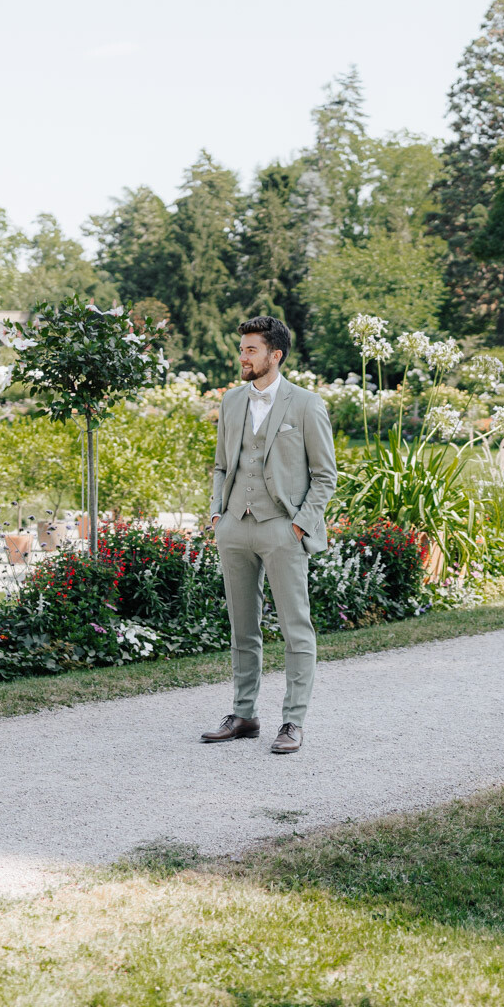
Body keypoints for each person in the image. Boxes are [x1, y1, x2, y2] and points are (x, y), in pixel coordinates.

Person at [200, 315, 336, 754]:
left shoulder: (306, 405)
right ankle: (244, 715)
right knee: (243, 627)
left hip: (282, 527)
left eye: (251, 350)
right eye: (241, 349)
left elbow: (325, 476)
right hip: (235, 526)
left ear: (274, 355)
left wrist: (299, 524)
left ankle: (293, 722)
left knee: (297, 628)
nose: (243, 357)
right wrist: (218, 515)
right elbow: (222, 465)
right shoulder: (232, 401)